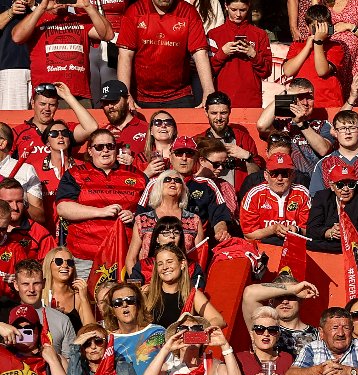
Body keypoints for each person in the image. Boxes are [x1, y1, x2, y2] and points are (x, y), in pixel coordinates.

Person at [55, 129, 146, 280]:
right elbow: (63, 208)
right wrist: (101, 212)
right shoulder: (75, 174)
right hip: (85, 257)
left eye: (110, 146)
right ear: (90, 151)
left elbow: (150, 212)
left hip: (125, 255)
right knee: (85, 300)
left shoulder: (137, 176)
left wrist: (134, 216)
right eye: (99, 147)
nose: (105, 150)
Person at [11, 0, 112, 108]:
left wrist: (88, 6)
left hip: (79, 95)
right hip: (46, 95)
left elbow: (108, 35)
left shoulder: (80, 19)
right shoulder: (37, 19)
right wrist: (41, 8)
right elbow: (17, 37)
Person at [116, 0, 214, 107]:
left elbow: (200, 53)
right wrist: (125, 94)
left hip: (179, 94)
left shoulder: (188, 12)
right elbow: (125, 55)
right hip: (140, 96)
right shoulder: (135, 11)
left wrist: (209, 91)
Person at [285, 308, 358, 375]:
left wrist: (349, 371)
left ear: (352, 330)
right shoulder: (312, 348)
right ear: (321, 332)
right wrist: (319, 370)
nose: (340, 333)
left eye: (346, 328)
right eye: (334, 328)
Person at [205, 0, 270, 108]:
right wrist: (222, 53)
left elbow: (266, 71)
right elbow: (207, 73)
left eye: (243, 10)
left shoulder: (260, 34)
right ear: (226, 6)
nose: (238, 14)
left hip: (251, 100)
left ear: (249, 6)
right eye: (234, 10)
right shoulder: (214, 34)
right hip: (222, 102)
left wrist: (253, 54)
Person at [240, 152, 312, 246]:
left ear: (293, 175)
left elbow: (310, 230)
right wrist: (272, 229)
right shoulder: (254, 195)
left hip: (295, 245)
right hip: (262, 248)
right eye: (274, 173)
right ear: (266, 175)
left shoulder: (303, 194)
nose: (279, 178)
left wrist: (297, 230)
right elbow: (248, 234)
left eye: (284, 173)